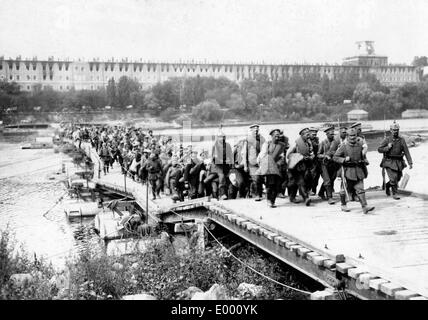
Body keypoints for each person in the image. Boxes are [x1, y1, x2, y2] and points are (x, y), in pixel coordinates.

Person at [333, 128, 374, 214]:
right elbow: (335, 157)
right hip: (347, 171)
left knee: (360, 189)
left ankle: (364, 206)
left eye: (354, 135)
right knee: (344, 189)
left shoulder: (359, 145)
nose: (352, 137)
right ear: (347, 136)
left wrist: (364, 161)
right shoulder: (343, 146)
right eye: (350, 136)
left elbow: (361, 155)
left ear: (356, 136)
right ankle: (343, 205)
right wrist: (344, 159)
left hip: (358, 170)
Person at [378, 121, 413, 200]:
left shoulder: (401, 140)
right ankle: (395, 193)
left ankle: (388, 185)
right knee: (393, 178)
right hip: (389, 162)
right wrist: (387, 148)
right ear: (390, 130)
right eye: (394, 130)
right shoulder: (387, 139)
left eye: (397, 130)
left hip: (399, 162)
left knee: (398, 178)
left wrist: (410, 162)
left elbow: (406, 151)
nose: (395, 131)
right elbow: (379, 149)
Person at [256, 129, 287, 208]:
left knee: (277, 185)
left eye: (278, 135)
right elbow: (262, 155)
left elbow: (282, 156)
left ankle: (272, 200)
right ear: (272, 136)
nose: (277, 137)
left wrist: (280, 163)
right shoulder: (267, 144)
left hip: (277, 166)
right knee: (271, 184)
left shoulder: (282, 145)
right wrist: (261, 166)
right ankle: (270, 200)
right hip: (268, 166)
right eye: (275, 135)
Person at [287, 128, 314, 206]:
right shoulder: (295, 144)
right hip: (295, 166)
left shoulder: (308, 143)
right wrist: (301, 157)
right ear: (302, 135)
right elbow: (289, 155)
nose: (309, 136)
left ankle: (293, 197)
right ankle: (306, 198)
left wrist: (311, 156)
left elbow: (311, 152)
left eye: (309, 134)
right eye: (307, 134)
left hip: (305, 166)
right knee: (300, 182)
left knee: (303, 181)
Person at [317, 125, 339, 204]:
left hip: (333, 164)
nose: (333, 135)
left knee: (332, 179)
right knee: (327, 180)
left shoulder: (336, 143)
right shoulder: (323, 143)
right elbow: (318, 154)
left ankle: (321, 192)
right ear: (327, 134)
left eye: (333, 134)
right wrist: (325, 155)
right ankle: (330, 197)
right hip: (324, 164)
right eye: (331, 134)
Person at [211, 130, 233, 200]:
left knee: (231, 176)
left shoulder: (228, 145)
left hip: (225, 165)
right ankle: (222, 194)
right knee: (222, 176)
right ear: (217, 138)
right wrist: (224, 161)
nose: (222, 138)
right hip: (217, 166)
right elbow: (215, 158)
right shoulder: (215, 146)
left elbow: (230, 155)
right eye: (220, 137)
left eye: (223, 137)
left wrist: (230, 162)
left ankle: (232, 194)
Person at [246, 124, 265, 201]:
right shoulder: (248, 140)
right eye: (254, 130)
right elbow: (244, 153)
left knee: (260, 178)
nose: (256, 132)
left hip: (261, 162)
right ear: (251, 130)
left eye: (257, 130)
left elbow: (265, 149)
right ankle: (256, 195)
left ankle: (259, 194)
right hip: (252, 163)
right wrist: (245, 165)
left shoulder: (262, 139)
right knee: (256, 178)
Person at [309, 127, 321, 196]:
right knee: (310, 176)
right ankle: (309, 190)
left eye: (315, 134)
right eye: (313, 134)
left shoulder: (316, 140)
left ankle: (314, 190)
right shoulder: (307, 140)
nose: (314, 135)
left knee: (316, 176)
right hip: (309, 161)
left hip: (316, 160)